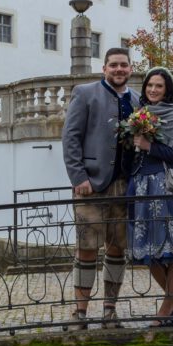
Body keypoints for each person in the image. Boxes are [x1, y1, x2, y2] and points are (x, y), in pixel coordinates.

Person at [62, 47, 138, 329]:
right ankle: (79, 313)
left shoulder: (137, 100)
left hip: (124, 186)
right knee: (86, 249)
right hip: (90, 186)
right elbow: (70, 137)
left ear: (131, 69)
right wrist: (77, 176)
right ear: (104, 68)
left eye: (124, 65)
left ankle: (110, 310)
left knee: (118, 248)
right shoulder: (85, 93)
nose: (119, 70)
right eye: (114, 65)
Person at [127, 67, 173, 327]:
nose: (153, 90)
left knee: (172, 249)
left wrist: (149, 147)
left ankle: (168, 306)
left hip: (165, 187)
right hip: (140, 185)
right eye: (149, 85)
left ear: (167, 89)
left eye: (158, 86)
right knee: (144, 249)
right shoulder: (139, 114)